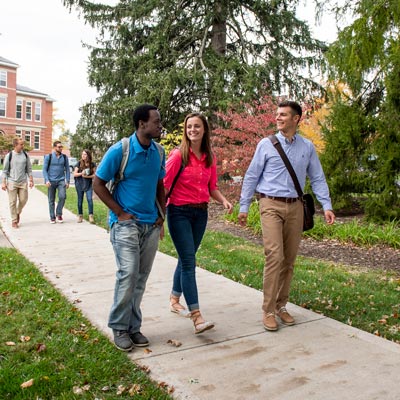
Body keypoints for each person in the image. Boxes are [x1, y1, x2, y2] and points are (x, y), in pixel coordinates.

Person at [238, 100, 335, 331]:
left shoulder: (307, 147)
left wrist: (327, 205)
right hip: (270, 204)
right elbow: (252, 176)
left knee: (289, 260)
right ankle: (268, 310)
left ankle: (281, 305)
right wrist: (243, 206)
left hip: (296, 207)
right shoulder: (266, 144)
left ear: (296, 119)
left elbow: (318, 177)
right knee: (275, 256)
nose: (278, 118)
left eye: (283, 115)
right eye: (277, 114)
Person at [93, 104, 166, 352]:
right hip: (126, 224)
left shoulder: (159, 151)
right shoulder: (120, 150)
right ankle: (119, 326)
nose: (159, 124)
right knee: (129, 273)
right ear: (141, 124)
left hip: (150, 225)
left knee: (141, 278)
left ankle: (133, 326)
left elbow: (159, 185)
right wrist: (120, 212)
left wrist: (162, 213)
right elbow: (98, 183)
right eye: (156, 121)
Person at [164, 112, 233, 334]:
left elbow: (212, 187)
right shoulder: (178, 156)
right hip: (178, 213)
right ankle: (197, 316)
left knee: (187, 257)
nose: (193, 130)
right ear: (186, 130)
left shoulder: (209, 157)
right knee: (188, 262)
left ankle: (175, 299)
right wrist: (156, 214)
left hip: (200, 214)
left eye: (197, 126)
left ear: (204, 130)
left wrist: (223, 200)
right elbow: (164, 186)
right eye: (189, 127)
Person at [1, 138, 34, 228]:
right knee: (12, 202)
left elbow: (29, 169)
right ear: (15, 145)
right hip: (12, 182)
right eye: (21, 144)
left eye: (23, 144)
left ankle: (17, 212)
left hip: (23, 181)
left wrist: (31, 180)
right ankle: (14, 220)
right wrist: (3, 183)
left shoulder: (25, 155)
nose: (23, 146)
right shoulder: (9, 155)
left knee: (24, 200)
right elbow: (4, 171)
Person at [43, 140, 70, 223]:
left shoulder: (65, 157)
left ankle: (59, 213)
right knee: (51, 200)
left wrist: (67, 180)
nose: (61, 148)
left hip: (61, 181)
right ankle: (52, 217)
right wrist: (46, 180)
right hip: (51, 181)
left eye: (61, 147)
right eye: (59, 147)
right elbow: (44, 170)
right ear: (54, 148)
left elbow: (68, 170)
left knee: (62, 197)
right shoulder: (49, 157)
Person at [73, 149, 96, 224]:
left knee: (90, 200)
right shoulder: (78, 163)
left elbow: (95, 175)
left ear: (88, 155)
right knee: (80, 201)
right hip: (79, 184)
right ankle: (80, 216)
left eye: (85, 154)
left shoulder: (92, 164)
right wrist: (81, 173)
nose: (83, 155)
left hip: (88, 185)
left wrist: (87, 177)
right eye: (82, 154)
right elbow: (75, 174)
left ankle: (91, 216)